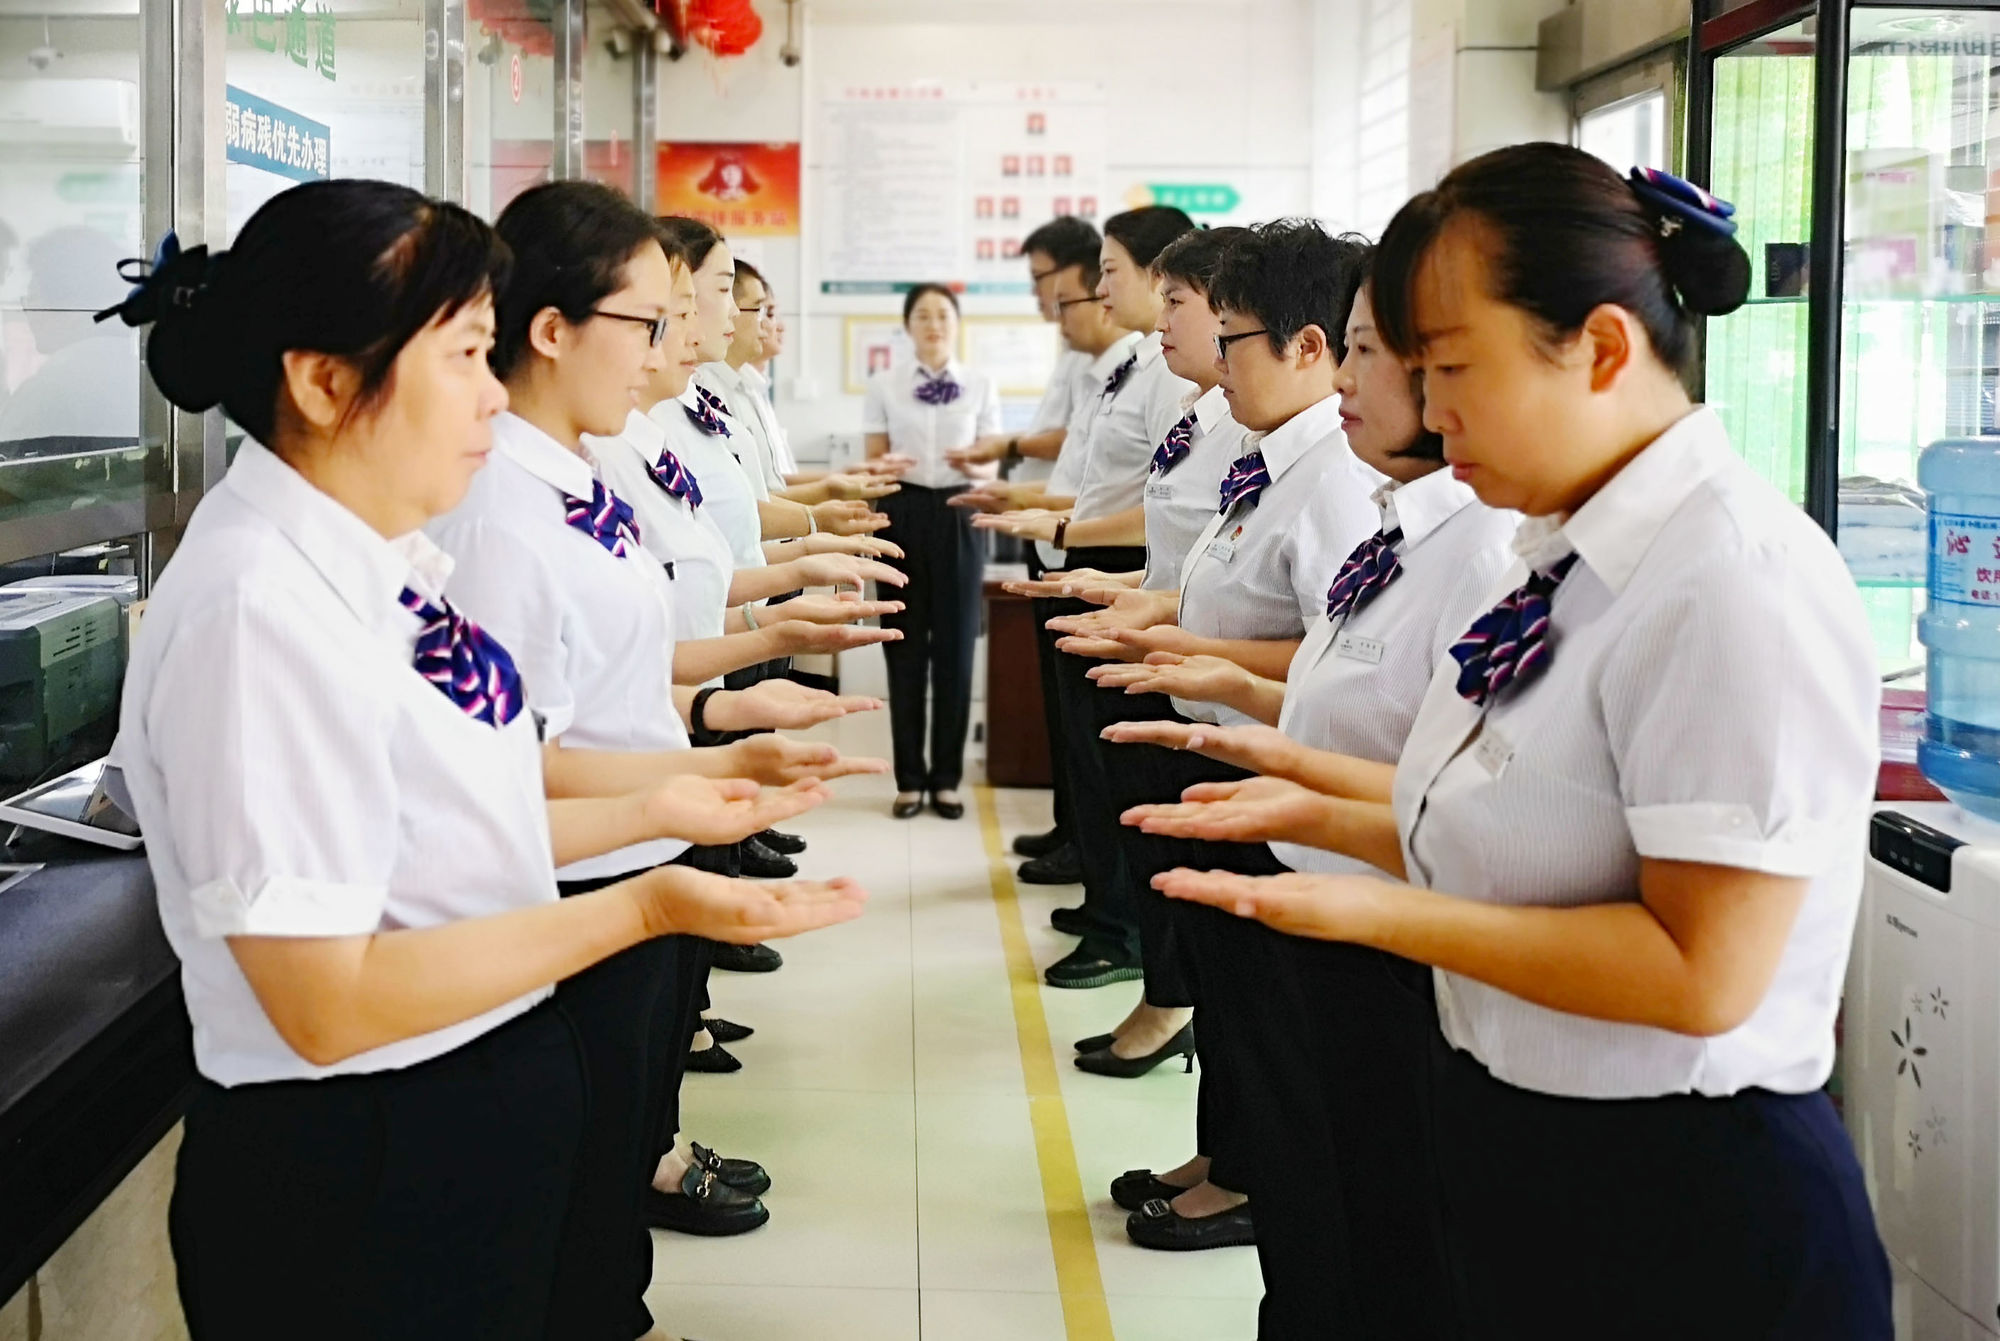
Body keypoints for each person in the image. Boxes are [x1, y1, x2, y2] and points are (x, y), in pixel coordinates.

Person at [1139, 147, 1892, 1340]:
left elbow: (1702, 973)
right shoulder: (1564, 554)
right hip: (1517, 1123)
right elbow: (1515, 810)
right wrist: (1301, 805)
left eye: (1450, 369)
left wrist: (1369, 913)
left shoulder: (1728, 581)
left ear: (1595, 349)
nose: (1428, 414)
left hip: (1677, 1188)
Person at [103, 179, 866, 1341]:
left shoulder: (376, 559)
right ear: (321, 380)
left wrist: (673, 797)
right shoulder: (256, 610)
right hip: (363, 1155)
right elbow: (324, 1003)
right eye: (464, 354)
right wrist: (646, 906)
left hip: (461, 1106)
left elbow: (448, 818)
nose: (490, 391)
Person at [427, 180, 888, 1339]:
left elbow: (618, 672)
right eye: (650, 319)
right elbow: (505, 760)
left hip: (641, 840)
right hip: (578, 880)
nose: (674, 344)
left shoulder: (579, 477)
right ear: (551, 330)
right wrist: (686, 782)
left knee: (616, 1148)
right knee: (577, 1176)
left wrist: (726, 725)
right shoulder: (494, 514)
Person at [1097, 273, 1515, 1335]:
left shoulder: (1482, 546)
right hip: (1317, 882)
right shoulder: (1393, 518)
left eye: (1368, 356)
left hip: (1384, 923)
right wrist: (1229, 702)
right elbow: (1355, 698)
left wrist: (1295, 808)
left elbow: (1466, 789)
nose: (1348, 383)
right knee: (1312, 1197)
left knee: (1370, 1223)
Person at [1066, 220, 1379, 1252]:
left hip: (1266, 761)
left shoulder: (1334, 477)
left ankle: (1249, 1178)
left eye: (1231, 338)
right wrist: (1158, 621)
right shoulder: (1263, 456)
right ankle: (1222, 1154)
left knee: (1260, 1008)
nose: (1215, 362)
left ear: (1306, 347)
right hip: (1217, 746)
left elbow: (1332, 649)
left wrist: (1212, 665)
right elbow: (1231, 594)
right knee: (1227, 995)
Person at [997, 225, 1248, 1072]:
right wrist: (1119, 590)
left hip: (1194, 661)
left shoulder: (1255, 433)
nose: (1104, 293)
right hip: (1151, 619)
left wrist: (1111, 576)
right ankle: (1163, 991)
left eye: (1171, 297)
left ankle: (1161, 987)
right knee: (1129, 812)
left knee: (1167, 844)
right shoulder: (1186, 402)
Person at [953, 216, 1104, 876]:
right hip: (1050, 530)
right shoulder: (1078, 353)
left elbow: (1072, 441)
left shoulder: (1118, 361)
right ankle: (1069, 829)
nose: (1040, 296)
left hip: (1085, 539)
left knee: (1084, 719)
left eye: (1043, 280)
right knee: (1063, 711)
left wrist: (1006, 448)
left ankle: (1084, 846)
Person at [862, 282, 1002, 819]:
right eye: (922, 314)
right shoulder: (884, 384)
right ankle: (909, 779)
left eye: (943, 314)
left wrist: (973, 464)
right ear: (908, 325)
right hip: (900, 513)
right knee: (903, 646)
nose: (933, 323)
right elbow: (873, 458)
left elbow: (991, 466)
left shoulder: (982, 384)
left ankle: (946, 778)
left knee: (957, 648)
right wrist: (883, 470)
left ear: (957, 323)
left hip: (961, 512)